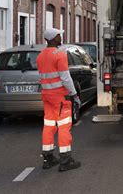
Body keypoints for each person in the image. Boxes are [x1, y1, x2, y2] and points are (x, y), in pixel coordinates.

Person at [36, 28, 82, 171]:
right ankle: (65, 160)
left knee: (49, 125)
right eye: (58, 35)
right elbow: (65, 78)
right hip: (59, 97)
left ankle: (48, 158)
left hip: (46, 96)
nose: (60, 37)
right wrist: (74, 95)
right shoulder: (60, 55)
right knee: (64, 126)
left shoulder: (40, 56)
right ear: (52, 38)